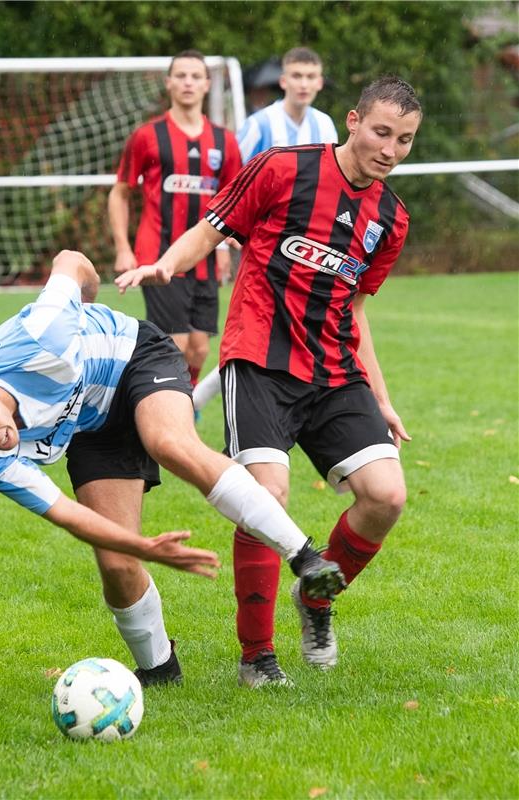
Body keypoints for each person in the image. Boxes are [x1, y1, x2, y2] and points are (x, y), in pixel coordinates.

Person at [0, 250, 345, 687]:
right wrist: (146, 549)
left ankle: (306, 557)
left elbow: (70, 259)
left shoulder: (44, 333)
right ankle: (159, 671)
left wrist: (87, 299)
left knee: (169, 442)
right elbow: (66, 514)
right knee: (117, 563)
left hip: (134, 356)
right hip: (90, 423)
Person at [116, 76, 422, 687]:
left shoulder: (391, 218)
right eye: (382, 132)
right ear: (354, 120)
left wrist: (381, 398)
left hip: (335, 372)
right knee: (266, 498)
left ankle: (318, 597)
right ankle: (257, 654)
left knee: (386, 496)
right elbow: (213, 229)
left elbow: (356, 312)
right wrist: (164, 265)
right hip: (259, 360)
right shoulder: (282, 169)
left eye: (405, 140)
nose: (389, 149)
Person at [193, 46, 338, 412]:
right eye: (297, 77)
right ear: (284, 81)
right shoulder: (259, 125)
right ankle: (214, 402)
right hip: (259, 246)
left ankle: (274, 407)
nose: (304, 84)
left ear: (319, 82)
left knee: (289, 335)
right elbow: (232, 183)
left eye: (310, 77)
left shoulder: (325, 126)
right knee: (253, 331)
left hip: (307, 250)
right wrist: (224, 244)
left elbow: (333, 188)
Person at [108, 50, 242, 394]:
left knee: (198, 348)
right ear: (168, 83)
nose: (188, 82)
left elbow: (230, 200)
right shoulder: (147, 136)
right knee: (175, 345)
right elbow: (120, 192)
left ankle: (182, 407)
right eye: (180, 75)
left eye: (195, 76)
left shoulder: (223, 141)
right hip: (158, 257)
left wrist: (225, 245)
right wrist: (124, 248)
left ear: (207, 85)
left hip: (204, 260)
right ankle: (157, 411)